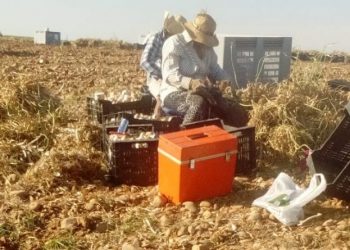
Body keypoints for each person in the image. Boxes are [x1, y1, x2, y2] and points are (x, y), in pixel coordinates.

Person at [160, 12, 248, 126]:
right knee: (198, 105)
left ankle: (231, 139)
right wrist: (191, 83)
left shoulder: (208, 49)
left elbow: (216, 69)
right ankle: (186, 139)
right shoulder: (174, 43)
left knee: (234, 109)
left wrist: (226, 81)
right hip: (174, 92)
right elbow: (170, 75)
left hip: (203, 92)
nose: (204, 44)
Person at [140, 13, 186, 118]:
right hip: (158, 77)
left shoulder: (179, 42)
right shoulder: (156, 37)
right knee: (161, 100)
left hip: (175, 76)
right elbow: (145, 61)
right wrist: (164, 74)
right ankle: (158, 120)